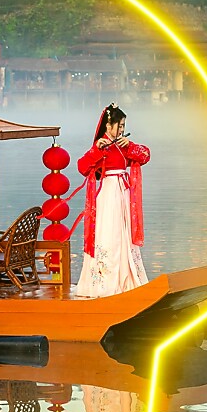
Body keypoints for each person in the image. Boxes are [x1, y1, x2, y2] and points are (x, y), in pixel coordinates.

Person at [74, 104, 150, 298]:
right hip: (109, 194)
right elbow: (82, 167)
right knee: (110, 235)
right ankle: (105, 283)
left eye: (124, 126)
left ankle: (127, 279)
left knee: (124, 236)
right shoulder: (101, 145)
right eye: (120, 125)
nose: (122, 130)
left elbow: (145, 155)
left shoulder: (124, 145)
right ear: (109, 125)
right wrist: (96, 150)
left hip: (123, 194)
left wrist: (130, 146)